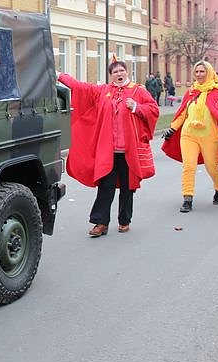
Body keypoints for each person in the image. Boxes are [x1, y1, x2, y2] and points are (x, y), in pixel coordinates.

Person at [57, 58, 159, 237]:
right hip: (109, 151)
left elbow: (153, 110)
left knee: (128, 187)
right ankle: (101, 222)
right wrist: (58, 75)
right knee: (106, 186)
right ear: (111, 76)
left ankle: (124, 220)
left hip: (129, 150)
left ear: (127, 72)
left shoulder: (138, 91)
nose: (119, 74)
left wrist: (136, 107)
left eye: (121, 71)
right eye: (115, 72)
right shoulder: (104, 91)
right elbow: (80, 87)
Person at [161, 60, 218, 213]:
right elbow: (182, 114)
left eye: (202, 71)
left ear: (209, 72)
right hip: (189, 135)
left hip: (209, 136)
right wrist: (172, 129)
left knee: (212, 168)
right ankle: (187, 199)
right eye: (197, 72)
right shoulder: (191, 92)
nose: (199, 75)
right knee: (189, 166)